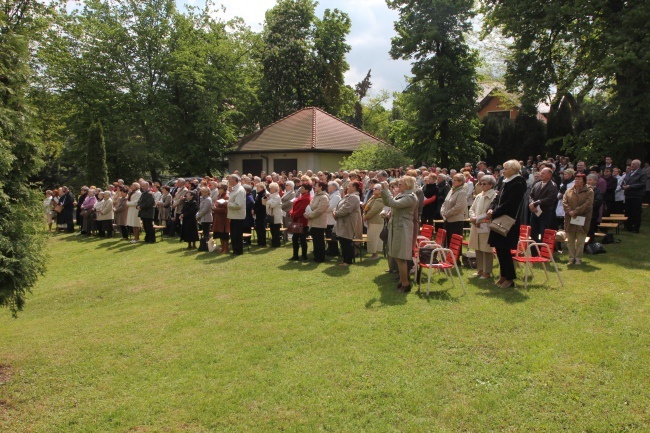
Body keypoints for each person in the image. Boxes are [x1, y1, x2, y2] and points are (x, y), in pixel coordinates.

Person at [486, 159, 528, 288]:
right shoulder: (503, 181)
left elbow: (511, 204)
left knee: (505, 249)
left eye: (506, 169)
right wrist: (491, 208)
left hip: (508, 221)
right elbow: (496, 198)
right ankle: (503, 275)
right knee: (499, 249)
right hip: (498, 218)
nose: (503, 171)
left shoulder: (518, 183)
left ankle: (510, 279)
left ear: (514, 170)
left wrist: (494, 212)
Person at [380, 176, 418, 291]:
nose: (398, 186)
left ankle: (406, 284)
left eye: (400, 184)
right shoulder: (402, 195)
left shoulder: (410, 197)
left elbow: (394, 204)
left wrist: (386, 190)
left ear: (408, 185)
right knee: (397, 255)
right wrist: (383, 190)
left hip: (403, 229)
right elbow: (388, 202)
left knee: (401, 257)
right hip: (396, 227)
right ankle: (402, 281)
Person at [468, 175, 497, 279]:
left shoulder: (494, 195)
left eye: (484, 184)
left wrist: (477, 219)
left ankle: (487, 271)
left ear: (491, 185)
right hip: (476, 225)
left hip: (486, 225)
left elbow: (490, 212)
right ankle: (480, 269)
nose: (482, 185)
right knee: (477, 247)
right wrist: (472, 217)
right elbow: (471, 208)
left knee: (486, 249)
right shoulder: (479, 195)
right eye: (481, 183)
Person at [562, 173, 594, 265]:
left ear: (584, 181)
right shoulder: (569, 191)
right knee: (570, 241)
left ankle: (578, 259)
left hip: (582, 219)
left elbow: (588, 204)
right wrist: (569, 211)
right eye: (575, 179)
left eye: (579, 179)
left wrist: (575, 212)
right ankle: (571, 258)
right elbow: (564, 203)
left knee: (580, 241)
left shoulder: (589, 191)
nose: (576, 180)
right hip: (569, 218)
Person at [333, 181, 363, 266]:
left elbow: (346, 209)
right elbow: (338, 206)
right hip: (342, 221)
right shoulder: (348, 196)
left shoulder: (354, 197)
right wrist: (335, 211)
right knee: (343, 241)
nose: (347, 188)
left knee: (346, 241)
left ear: (354, 188)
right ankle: (345, 260)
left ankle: (348, 261)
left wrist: (336, 213)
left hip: (348, 222)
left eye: (349, 186)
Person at [528, 167, 559, 246]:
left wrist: (535, 204)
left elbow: (550, 199)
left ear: (549, 175)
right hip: (535, 212)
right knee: (533, 232)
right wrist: (531, 203)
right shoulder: (537, 184)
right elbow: (530, 196)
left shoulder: (553, 186)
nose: (541, 175)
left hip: (545, 213)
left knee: (543, 232)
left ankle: (542, 250)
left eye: (543, 173)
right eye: (541, 173)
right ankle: (533, 250)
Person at [440, 173, 468, 258]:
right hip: (447, 219)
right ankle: (447, 257)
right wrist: (442, 211)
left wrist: (447, 213)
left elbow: (459, 207)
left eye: (455, 180)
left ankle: (456, 259)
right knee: (446, 240)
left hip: (456, 220)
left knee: (455, 240)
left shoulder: (462, 192)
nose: (453, 181)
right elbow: (445, 203)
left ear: (460, 182)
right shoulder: (452, 190)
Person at [305, 181, 329, 262]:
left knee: (319, 240)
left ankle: (320, 257)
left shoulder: (324, 197)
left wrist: (310, 215)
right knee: (315, 240)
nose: (314, 187)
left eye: (316, 186)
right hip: (313, 222)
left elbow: (319, 210)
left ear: (321, 187)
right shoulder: (316, 196)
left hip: (319, 222)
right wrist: (307, 212)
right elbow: (311, 206)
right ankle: (316, 256)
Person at [622, 159, 646, 233]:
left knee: (636, 212)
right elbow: (624, 180)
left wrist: (630, 186)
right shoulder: (629, 173)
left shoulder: (642, 173)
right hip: (628, 195)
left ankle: (636, 228)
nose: (632, 165)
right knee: (628, 211)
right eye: (632, 164)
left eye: (634, 164)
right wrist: (623, 185)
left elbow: (641, 184)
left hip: (636, 196)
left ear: (638, 165)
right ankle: (628, 226)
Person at [289, 184, 312, 260]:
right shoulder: (301, 196)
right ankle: (295, 255)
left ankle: (304, 255)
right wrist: (291, 212)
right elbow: (294, 207)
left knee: (302, 239)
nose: (301, 189)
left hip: (302, 221)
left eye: (302, 188)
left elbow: (302, 209)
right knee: (295, 238)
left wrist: (293, 214)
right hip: (296, 220)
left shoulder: (307, 198)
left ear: (307, 190)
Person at [363, 183, 385, 260]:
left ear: (380, 190)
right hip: (372, 221)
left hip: (376, 221)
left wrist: (366, 216)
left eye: (376, 189)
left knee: (374, 238)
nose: (373, 190)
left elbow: (373, 211)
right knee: (373, 237)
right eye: (373, 188)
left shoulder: (380, 199)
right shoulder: (373, 198)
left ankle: (375, 254)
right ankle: (374, 254)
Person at [227, 175, 246, 255]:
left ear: (235, 180)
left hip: (238, 216)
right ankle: (235, 250)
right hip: (233, 215)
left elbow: (238, 205)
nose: (228, 181)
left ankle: (238, 251)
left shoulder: (240, 190)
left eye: (230, 179)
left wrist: (227, 203)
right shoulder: (234, 189)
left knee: (237, 234)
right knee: (233, 234)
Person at [212, 183, 230, 253]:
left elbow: (226, 210)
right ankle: (222, 248)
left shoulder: (226, 197)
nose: (218, 190)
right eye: (218, 188)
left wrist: (215, 209)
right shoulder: (218, 196)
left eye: (220, 188)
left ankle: (226, 249)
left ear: (224, 189)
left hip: (224, 219)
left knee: (224, 234)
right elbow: (216, 204)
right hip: (218, 218)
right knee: (219, 234)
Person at [264, 182, 283, 248]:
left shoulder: (277, 197)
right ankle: (273, 243)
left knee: (276, 231)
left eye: (271, 188)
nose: (270, 190)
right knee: (272, 230)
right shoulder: (271, 196)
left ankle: (276, 244)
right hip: (271, 216)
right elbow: (266, 204)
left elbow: (272, 205)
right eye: (270, 188)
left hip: (276, 216)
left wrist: (268, 200)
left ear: (275, 189)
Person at [586, 173, 604, 243]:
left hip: (592, 214)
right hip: (583, 214)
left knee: (590, 230)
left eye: (590, 180)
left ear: (595, 182)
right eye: (588, 180)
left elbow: (597, 202)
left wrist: (587, 207)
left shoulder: (598, 191)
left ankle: (590, 244)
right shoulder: (584, 190)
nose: (588, 182)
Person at [325, 181, 341, 256]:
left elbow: (330, 207)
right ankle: (330, 249)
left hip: (331, 219)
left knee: (331, 235)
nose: (327, 187)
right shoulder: (331, 195)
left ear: (334, 187)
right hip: (327, 218)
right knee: (328, 235)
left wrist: (322, 208)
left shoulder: (336, 196)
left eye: (329, 186)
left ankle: (334, 250)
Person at [196, 187, 213, 251]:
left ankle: (207, 246)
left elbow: (204, 210)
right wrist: (197, 215)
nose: (201, 193)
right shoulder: (202, 199)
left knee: (206, 232)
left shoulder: (208, 199)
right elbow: (200, 209)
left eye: (203, 191)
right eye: (201, 191)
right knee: (204, 232)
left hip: (207, 218)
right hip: (202, 218)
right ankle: (205, 246)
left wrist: (197, 216)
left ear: (207, 192)